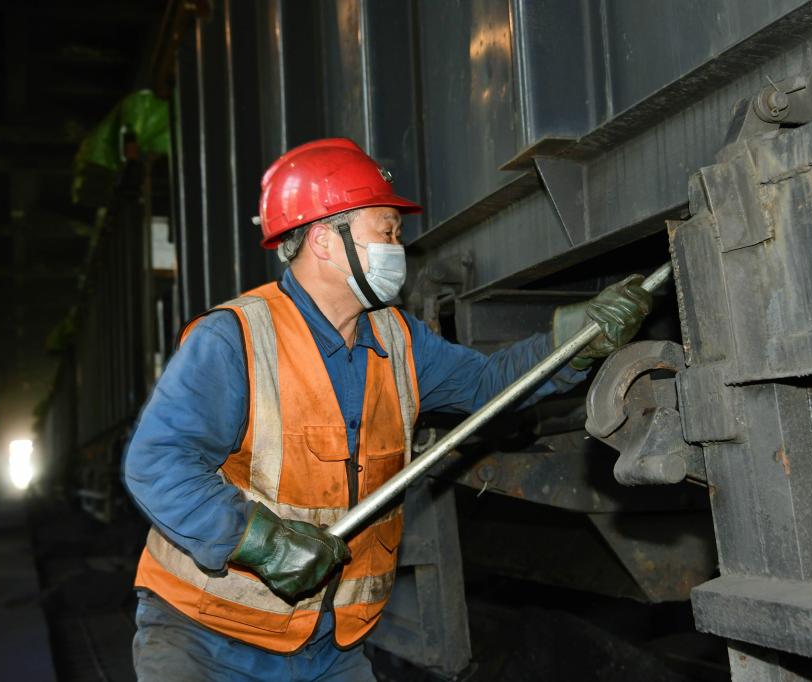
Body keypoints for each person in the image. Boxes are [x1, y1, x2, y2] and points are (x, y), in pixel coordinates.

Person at [123, 138, 652, 681]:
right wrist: (261, 543)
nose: (399, 247)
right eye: (388, 231)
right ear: (325, 240)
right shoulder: (235, 340)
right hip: (206, 639)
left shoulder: (398, 339)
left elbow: (487, 384)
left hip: (326, 650)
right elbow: (157, 464)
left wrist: (577, 341)